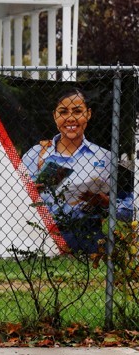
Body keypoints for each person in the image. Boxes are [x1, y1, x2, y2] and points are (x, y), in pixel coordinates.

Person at [20, 88, 134, 254]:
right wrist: (30, 194)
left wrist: (107, 204)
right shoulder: (35, 154)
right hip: (42, 237)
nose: (71, 118)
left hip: (90, 238)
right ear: (54, 116)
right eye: (63, 112)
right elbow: (12, 199)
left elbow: (132, 210)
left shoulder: (106, 158)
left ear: (88, 114)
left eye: (78, 111)